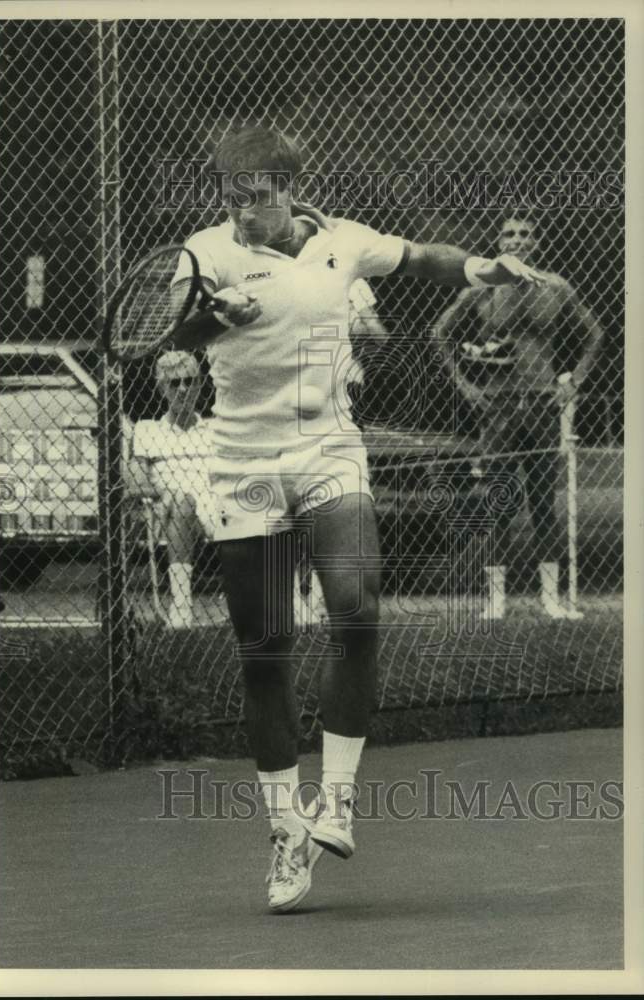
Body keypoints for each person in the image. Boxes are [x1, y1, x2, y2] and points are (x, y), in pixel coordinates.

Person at [167, 125, 546, 913]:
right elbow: (174, 332)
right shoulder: (203, 251)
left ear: (287, 189)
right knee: (265, 652)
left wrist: (477, 264)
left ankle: (335, 801)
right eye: (230, 197)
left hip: (330, 450)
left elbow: (418, 257)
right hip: (243, 462)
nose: (242, 213)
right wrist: (220, 318)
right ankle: (284, 834)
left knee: (357, 610)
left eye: (257, 198)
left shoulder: (342, 242)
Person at [432, 216, 604, 620]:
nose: (517, 239)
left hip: (543, 403)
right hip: (499, 406)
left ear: (537, 242)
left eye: (526, 233)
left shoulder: (555, 286)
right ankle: (495, 601)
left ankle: (550, 599)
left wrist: (574, 381)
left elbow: (595, 334)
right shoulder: (486, 286)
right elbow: (440, 332)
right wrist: (466, 387)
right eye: (509, 233)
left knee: (544, 503)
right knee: (499, 504)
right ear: (498, 240)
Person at [126, 350, 216, 629]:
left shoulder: (216, 428)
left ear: (200, 384)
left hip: (218, 504)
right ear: (162, 388)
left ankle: (298, 600)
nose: (183, 389)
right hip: (167, 508)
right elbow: (135, 477)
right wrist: (153, 491)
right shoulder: (146, 429)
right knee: (182, 502)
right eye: (174, 383)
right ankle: (181, 606)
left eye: (190, 381)